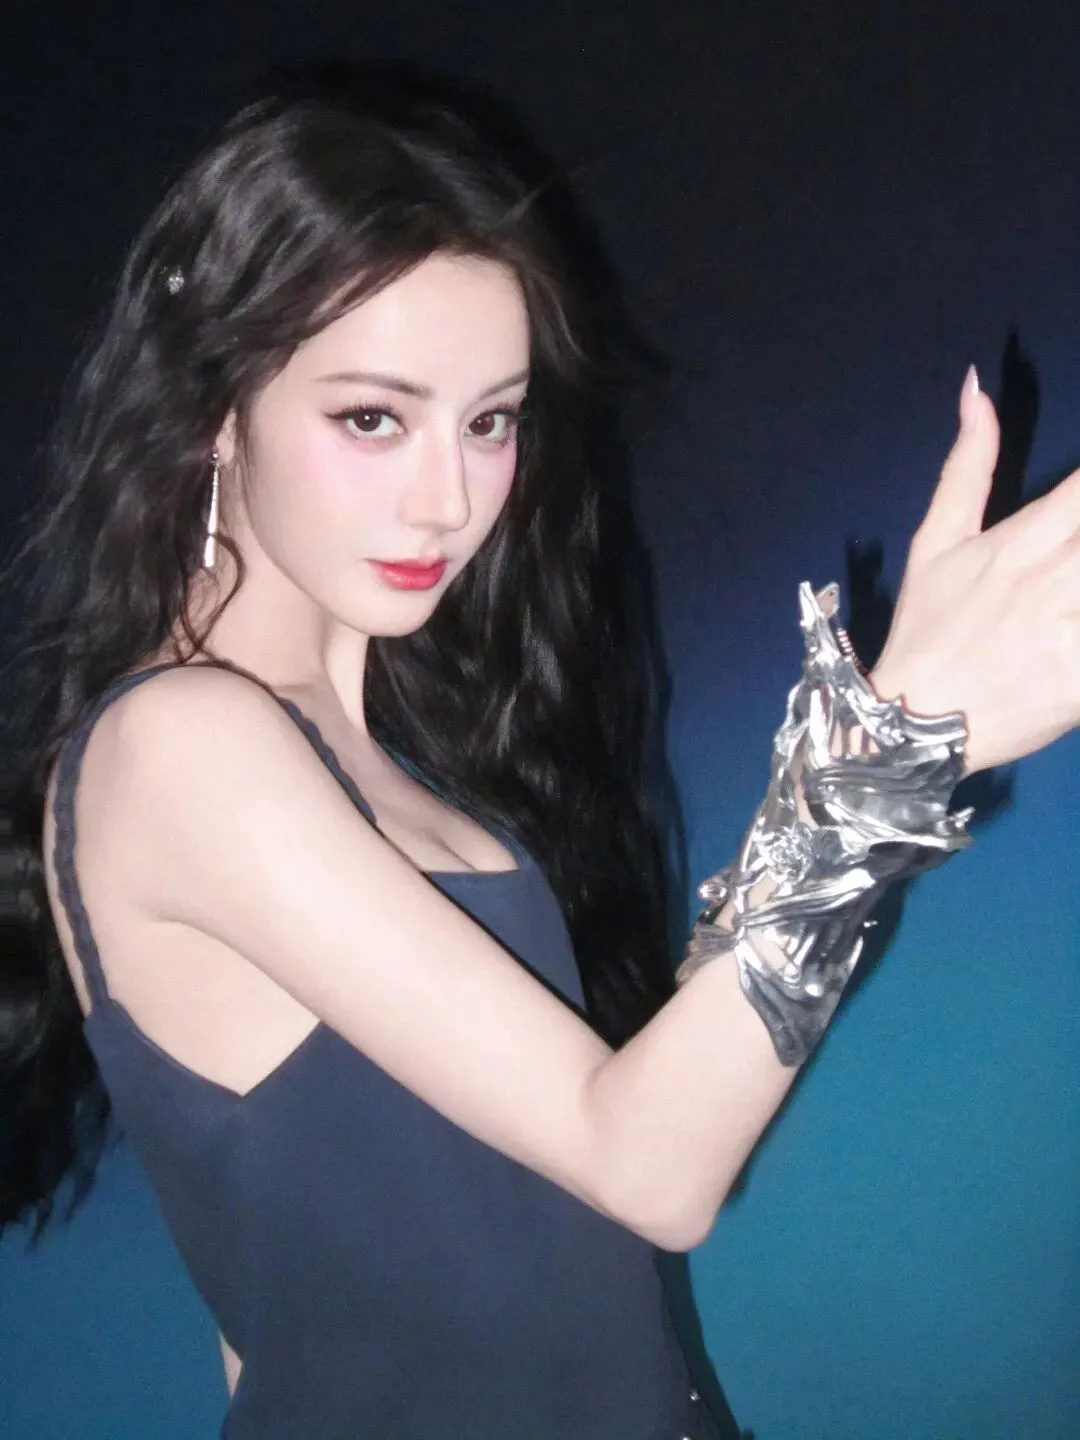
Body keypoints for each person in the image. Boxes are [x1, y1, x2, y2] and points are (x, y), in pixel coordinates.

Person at [1, 78, 1077, 1440]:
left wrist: (860, 770)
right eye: (373, 418)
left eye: (491, 420)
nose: (448, 498)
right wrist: (891, 750)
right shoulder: (181, 742)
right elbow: (647, 1167)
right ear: (216, 402)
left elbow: (285, 1286)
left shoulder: (385, 749)